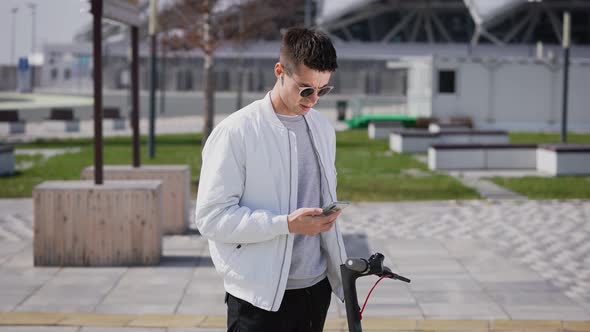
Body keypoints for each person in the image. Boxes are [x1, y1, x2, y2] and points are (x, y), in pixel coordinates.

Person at [195, 27, 347, 332]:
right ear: (280, 71)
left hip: (315, 290)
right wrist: (286, 224)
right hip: (258, 300)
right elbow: (211, 218)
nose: (314, 100)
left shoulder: (321, 128)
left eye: (323, 90)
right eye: (306, 89)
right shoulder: (236, 132)